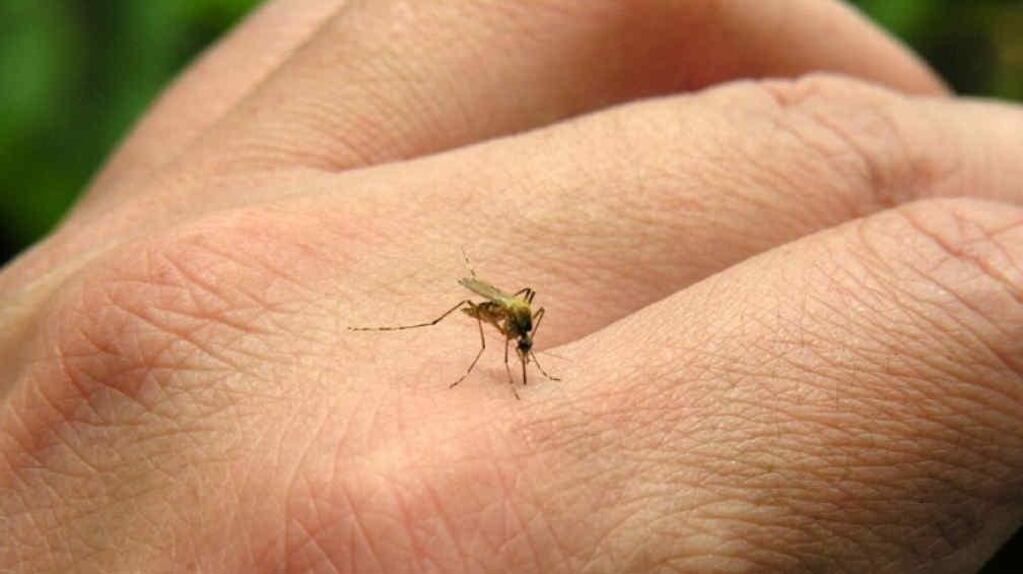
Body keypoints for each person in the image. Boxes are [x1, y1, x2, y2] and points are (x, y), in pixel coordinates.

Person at [2, 1, 1021, 571]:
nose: (517, 340)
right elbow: (489, 307)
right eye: (521, 337)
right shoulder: (490, 312)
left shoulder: (524, 322)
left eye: (523, 338)